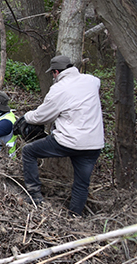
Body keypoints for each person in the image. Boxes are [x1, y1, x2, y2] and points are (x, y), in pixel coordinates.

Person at [21, 55, 104, 216]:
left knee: (29, 152)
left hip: (68, 141)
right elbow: (96, 82)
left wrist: (26, 117)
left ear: (56, 72)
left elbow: (42, 117)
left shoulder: (59, 89)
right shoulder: (92, 81)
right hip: (94, 144)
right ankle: (74, 217)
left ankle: (34, 196)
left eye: (52, 73)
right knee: (81, 184)